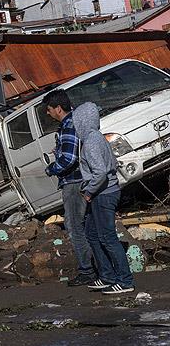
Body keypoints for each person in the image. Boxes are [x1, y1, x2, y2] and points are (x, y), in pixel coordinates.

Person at [73, 102, 134, 295]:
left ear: (81, 121)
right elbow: (111, 163)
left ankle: (125, 280)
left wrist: (89, 191)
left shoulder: (91, 140)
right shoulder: (97, 137)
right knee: (92, 234)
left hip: (103, 194)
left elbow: (100, 172)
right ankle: (107, 275)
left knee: (107, 237)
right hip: (105, 191)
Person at [43, 89, 96, 287]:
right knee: (87, 226)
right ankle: (96, 266)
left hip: (74, 183)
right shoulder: (77, 122)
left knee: (75, 227)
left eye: (49, 109)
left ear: (58, 108)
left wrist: (51, 168)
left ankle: (87, 270)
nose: (48, 113)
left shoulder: (68, 125)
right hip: (83, 180)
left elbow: (70, 159)